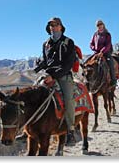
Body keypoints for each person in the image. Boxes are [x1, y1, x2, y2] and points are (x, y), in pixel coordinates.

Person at [35, 17, 77, 146]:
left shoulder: (68, 42)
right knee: (33, 94)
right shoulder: (46, 44)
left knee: (68, 100)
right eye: (51, 25)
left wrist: (54, 76)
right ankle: (29, 129)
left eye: (56, 25)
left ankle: (71, 131)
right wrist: (39, 66)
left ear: (61, 27)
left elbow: (69, 63)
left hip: (63, 75)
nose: (53, 27)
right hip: (48, 74)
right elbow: (47, 61)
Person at [90, 19, 117, 88]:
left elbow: (108, 45)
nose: (99, 26)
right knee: (88, 62)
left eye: (100, 24)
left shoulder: (107, 34)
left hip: (105, 52)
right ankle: (90, 80)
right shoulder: (95, 34)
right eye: (98, 25)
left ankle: (113, 80)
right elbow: (91, 43)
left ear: (103, 25)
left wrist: (102, 52)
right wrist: (94, 48)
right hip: (96, 53)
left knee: (110, 62)